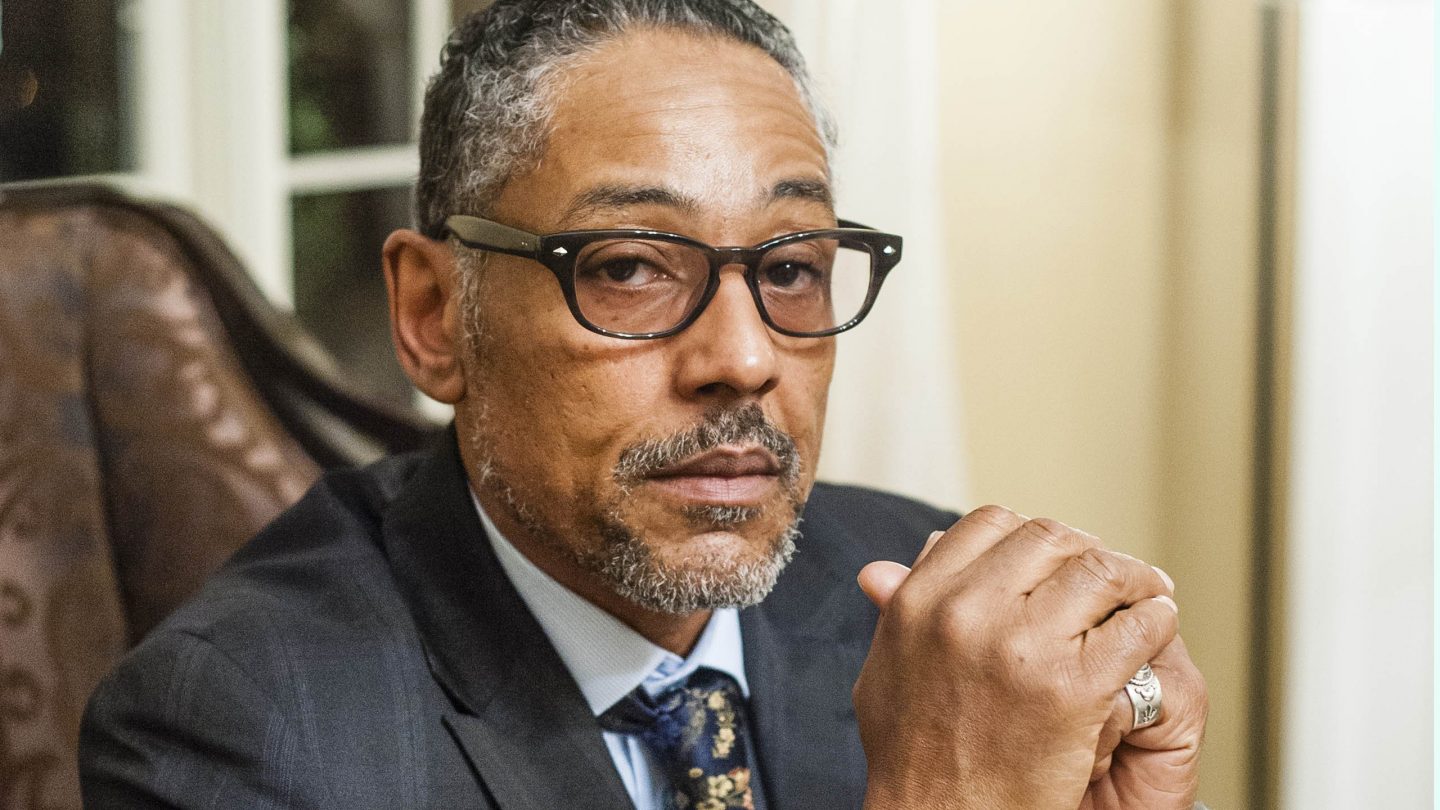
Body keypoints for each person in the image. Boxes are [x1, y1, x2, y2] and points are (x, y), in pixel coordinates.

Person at [79, 1, 1207, 808]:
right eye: (628, 267)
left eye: (791, 267)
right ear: (434, 316)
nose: (745, 358)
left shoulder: (917, 602)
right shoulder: (238, 729)